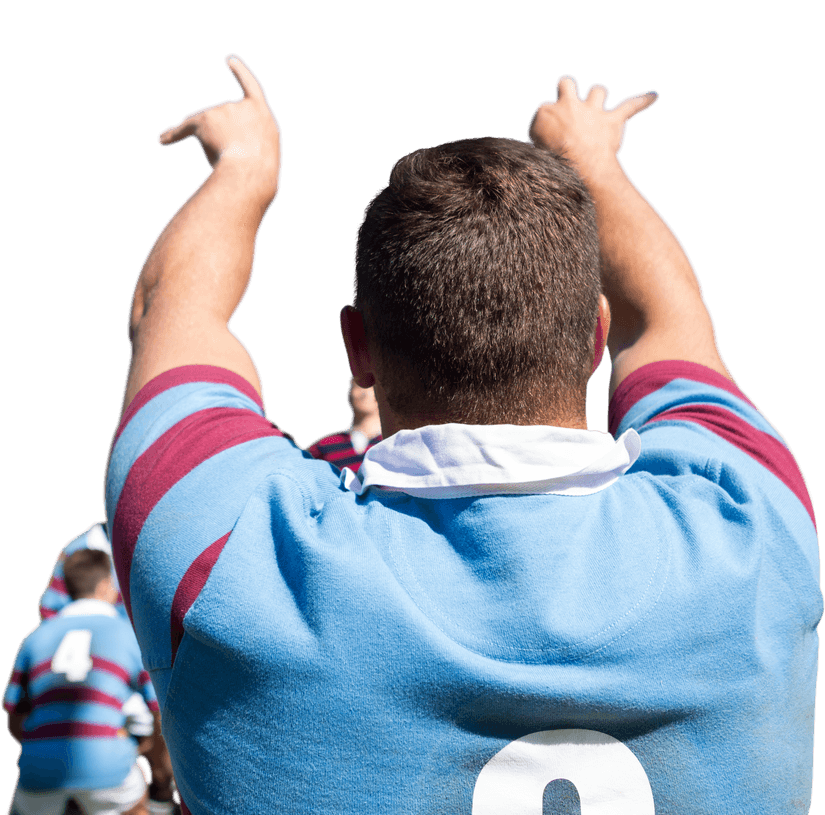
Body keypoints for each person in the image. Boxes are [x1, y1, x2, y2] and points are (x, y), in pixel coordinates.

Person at [104, 55, 821, 814]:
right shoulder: (754, 525)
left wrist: (243, 169)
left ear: (357, 349)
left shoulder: (229, 554)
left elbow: (170, 319)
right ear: (593, 339)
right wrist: (592, 165)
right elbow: (671, 322)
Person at [36, 525, 179, 815]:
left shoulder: (164, 542)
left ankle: (162, 786)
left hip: (142, 666)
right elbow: (52, 615)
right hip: (100, 673)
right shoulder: (81, 550)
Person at [4, 551, 160, 815]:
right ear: (104, 585)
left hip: (40, 770)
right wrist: (149, 756)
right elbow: (157, 709)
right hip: (107, 768)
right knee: (139, 804)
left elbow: (14, 718)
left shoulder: (35, 638)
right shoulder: (128, 633)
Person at [307, 376, 382, 472]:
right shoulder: (324, 446)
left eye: (372, 387)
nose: (366, 393)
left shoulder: (397, 442)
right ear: (349, 393)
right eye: (359, 386)